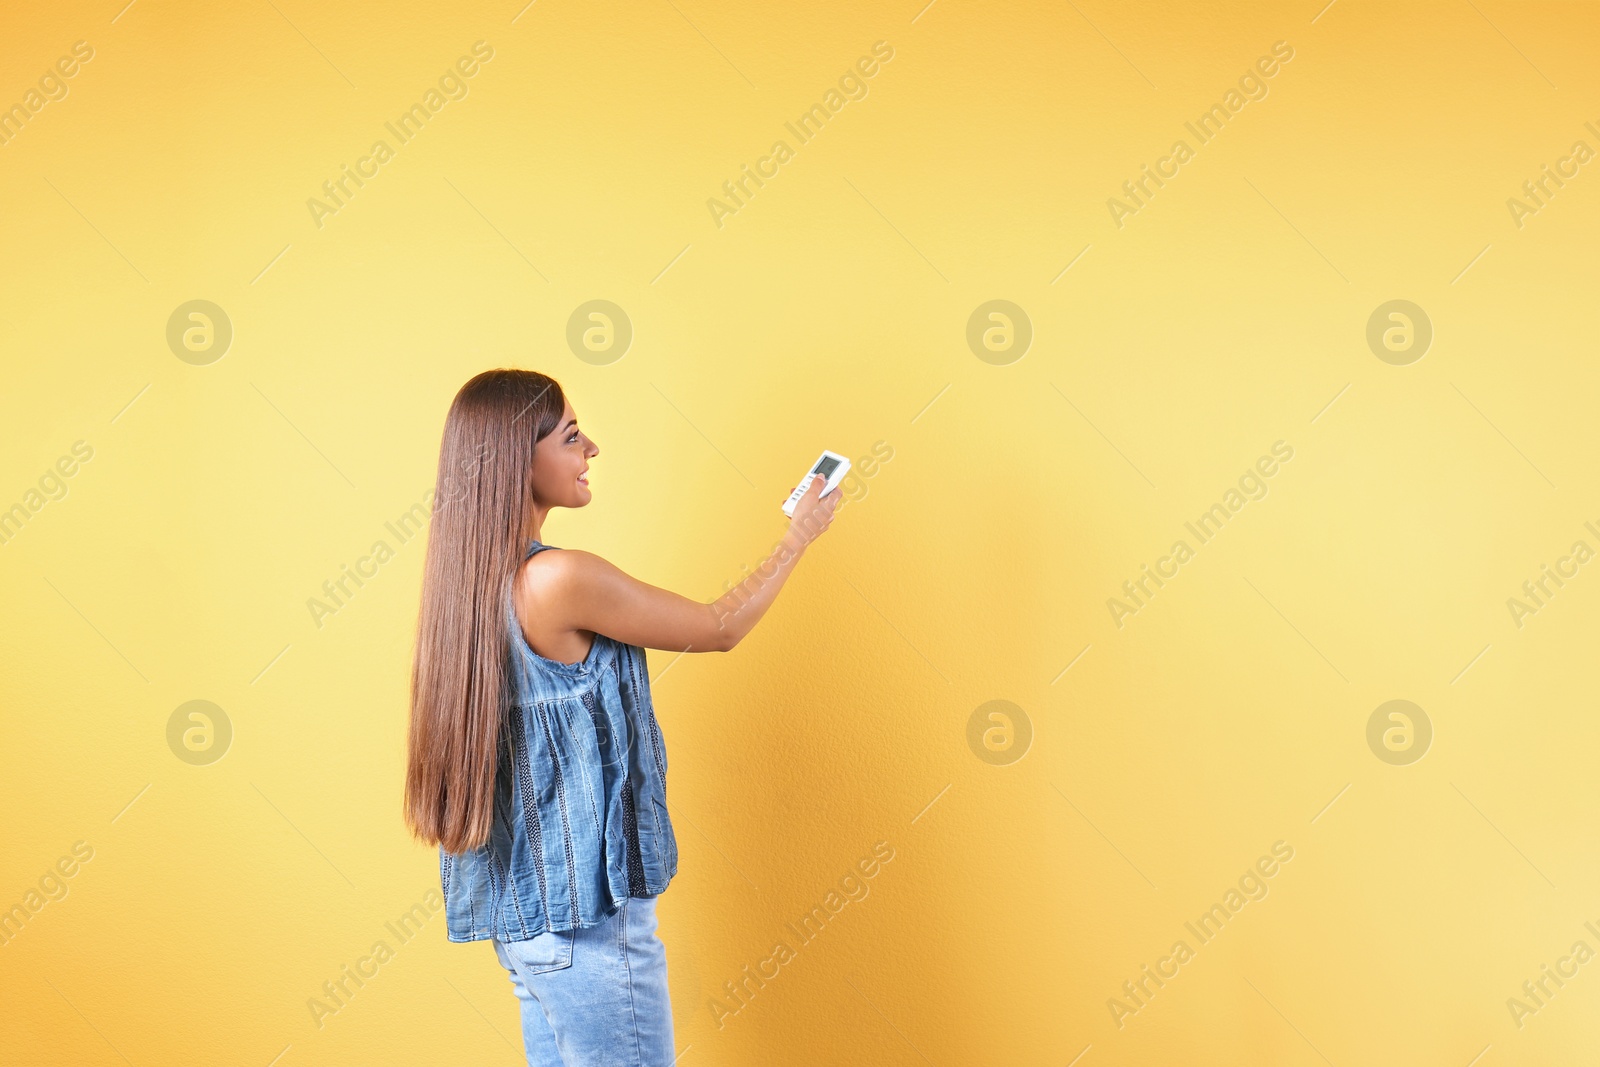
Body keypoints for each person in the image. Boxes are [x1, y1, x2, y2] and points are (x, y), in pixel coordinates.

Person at [402, 368, 841, 1066]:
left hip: (528, 928)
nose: (592, 449)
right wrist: (798, 538)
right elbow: (719, 625)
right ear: (521, 457)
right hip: (588, 931)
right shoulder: (556, 580)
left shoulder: (463, 592)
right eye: (572, 435)